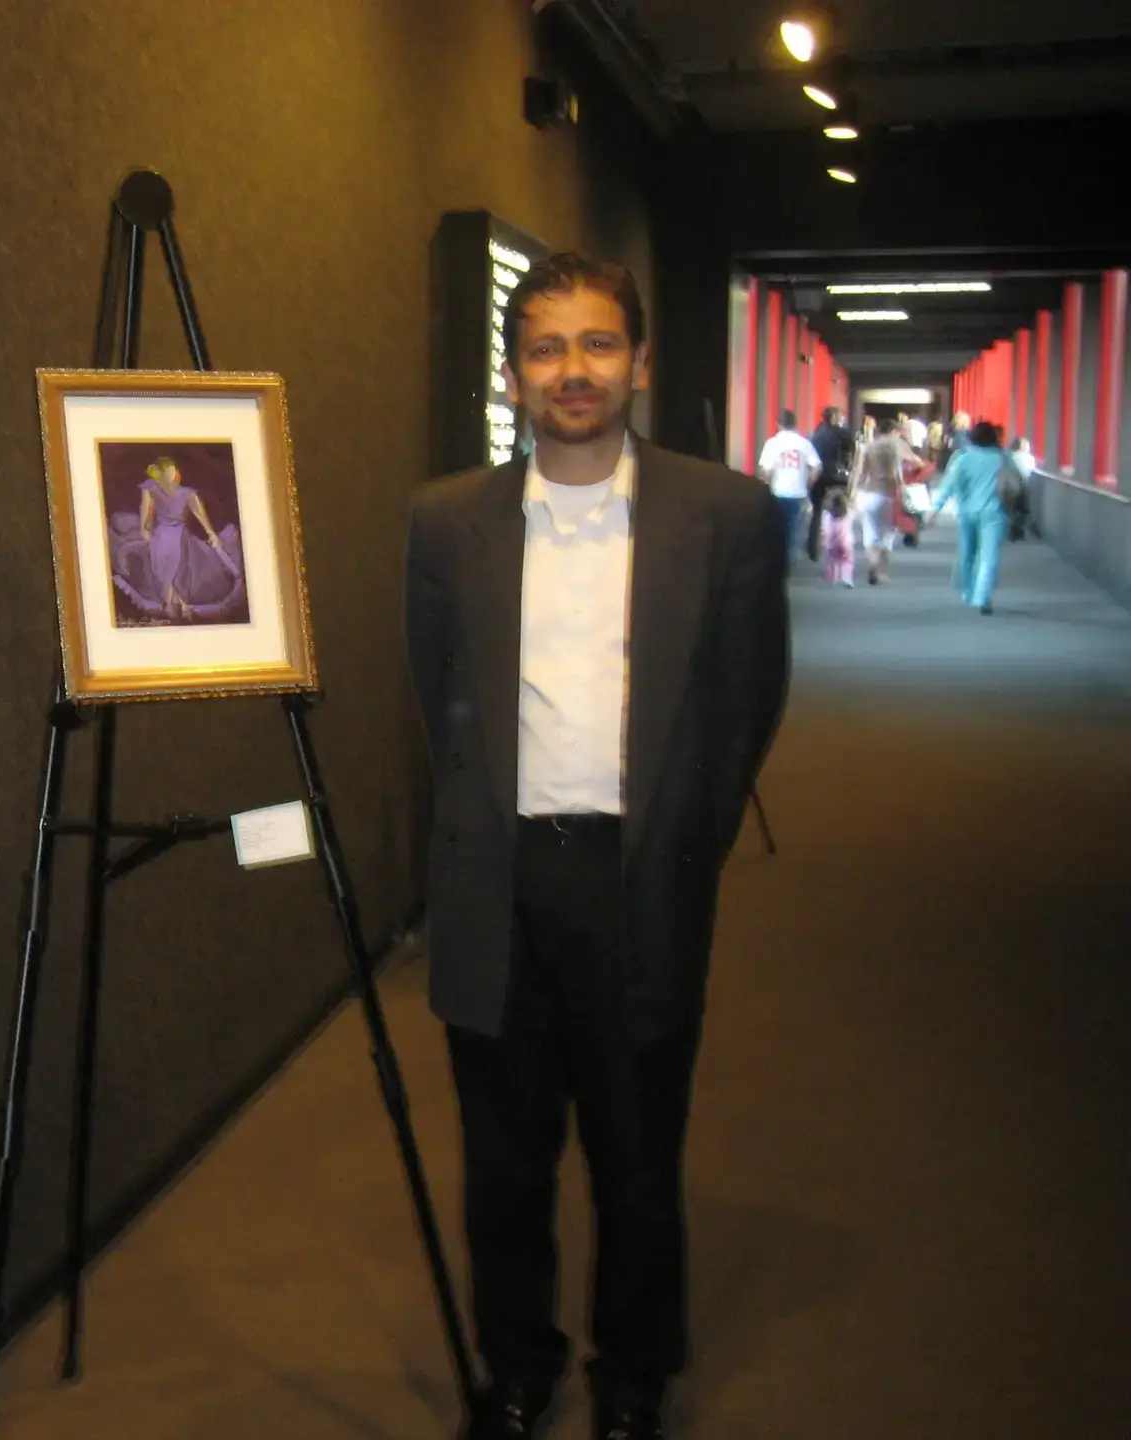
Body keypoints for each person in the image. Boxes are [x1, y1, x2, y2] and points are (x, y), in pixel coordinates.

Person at [406, 251, 790, 1440]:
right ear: (513, 377)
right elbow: (437, 693)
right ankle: (518, 1370)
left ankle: (633, 1383)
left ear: (639, 362)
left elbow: (749, 700)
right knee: (503, 1163)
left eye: (597, 343)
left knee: (636, 1162)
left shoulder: (723, 514)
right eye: (545, 349)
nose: (572, 370)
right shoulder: (447, 520)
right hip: (498, 883)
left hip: (639, 883)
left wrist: (683, 846)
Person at [107, 456, 246, 623]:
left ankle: (178, 603)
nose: (173, 479)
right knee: (161, 557)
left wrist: (212, 534)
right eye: (169, 475)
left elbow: (201, 516)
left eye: (174, 474)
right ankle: (175, 602)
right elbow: (146, 518)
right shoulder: (151, 489)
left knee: (175, 561)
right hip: (161, 534)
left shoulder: (188, 494)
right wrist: (146, 534)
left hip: (180, 535)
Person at [931, 420, 1013, 614]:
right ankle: (982, 597)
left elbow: (949, 485)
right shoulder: (1002, 458)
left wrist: (935, 509)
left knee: (967, 553)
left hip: (966, 512)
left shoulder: (963, 458)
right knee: (989, 555)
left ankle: (968, 592)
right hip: (994, 512)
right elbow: (1015, 482)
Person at [851, 423, 923, 585]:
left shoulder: (867, 447)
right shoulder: (896, 447)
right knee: (887, 536)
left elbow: (860, 473)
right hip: (890, 494)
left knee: (870, 534)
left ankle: (872, 564)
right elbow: (911, 466)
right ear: (892, 432)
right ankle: (883, 573)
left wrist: (853, 493)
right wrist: (906, 480)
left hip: (869, 493)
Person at [756, 409, 821, 567]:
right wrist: (808, 483)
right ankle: (789, 559)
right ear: (795, 424)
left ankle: (779, 560)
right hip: (799, 493)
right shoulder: (804, 443)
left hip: (778, 492)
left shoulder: (772, 443)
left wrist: (767, 482)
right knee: (794, 528)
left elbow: (765, 471)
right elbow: (817, 467)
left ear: (778, 424)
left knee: (778, 527)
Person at [807, 406, 853, 561]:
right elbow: (850, 451)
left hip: (818, 476)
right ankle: (839, 539)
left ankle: (812, 549)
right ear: (834, 417)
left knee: (817, 512)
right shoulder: (841, 433)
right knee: (842, 507)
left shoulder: (816, 433)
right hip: (835, 476)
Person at [822, 490, 855, 586]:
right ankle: (847, 578)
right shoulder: (848, 513)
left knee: (833, 560)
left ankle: (833, 576)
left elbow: (826, 529)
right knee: (847, 561)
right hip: (846, 542)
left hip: (832, 543)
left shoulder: (827, 515)